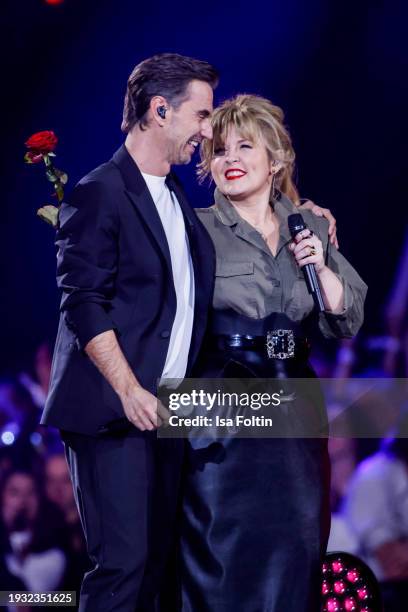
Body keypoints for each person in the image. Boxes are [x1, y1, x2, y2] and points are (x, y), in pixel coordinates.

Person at [40, 53, 219, 611]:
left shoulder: (178, 200)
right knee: (122, 570)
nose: (208, 131)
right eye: (202, 114)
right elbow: (83, 303)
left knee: (156, 574)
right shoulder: (99, 192)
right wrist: (129, 389)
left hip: (166, 414)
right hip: (113, 415)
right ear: (159, 110)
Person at [179, 94, 367, 611]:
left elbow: (347, 319)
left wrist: (322, 265)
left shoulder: (309, 225)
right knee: (222, 556)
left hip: (294, 408)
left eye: (244, 146)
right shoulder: (193, 228)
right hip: (222, 406)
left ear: (277, 160)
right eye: (218, 150)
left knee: (297, 546)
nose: (229, 158)